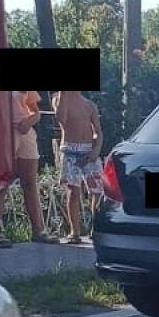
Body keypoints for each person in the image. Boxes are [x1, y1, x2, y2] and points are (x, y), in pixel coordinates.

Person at [0, 89, 53, 246]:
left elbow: (36, 112)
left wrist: (29, 121)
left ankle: (38, 231)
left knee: (30, 183)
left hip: (25, 133)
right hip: (2, 134)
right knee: (1, 182)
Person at [54, 90, 102, 244]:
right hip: (70, 151)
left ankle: (96, 228)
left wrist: (96, 150)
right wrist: (63, 94)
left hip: (89, 150)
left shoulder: (89, 105)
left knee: (97, 191)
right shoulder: (59, 99)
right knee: (73, 191)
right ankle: (75, 232)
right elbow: (62, 119)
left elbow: (98, 132)